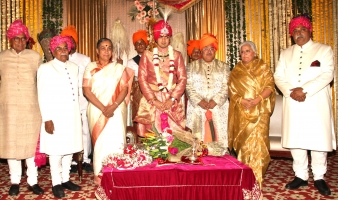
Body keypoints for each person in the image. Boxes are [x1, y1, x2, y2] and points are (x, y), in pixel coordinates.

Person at [274, 15, 335, 196]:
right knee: (296, 139)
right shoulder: (285, 53)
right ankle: (300, 175)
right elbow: (278, 77)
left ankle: (319, 177)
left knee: (317, 139)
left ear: (310, 30)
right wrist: (290, 91)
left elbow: (327, 75)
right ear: (291, 34)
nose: (298, 33)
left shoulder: (324, 50)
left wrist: (304, 90)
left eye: (302, 29)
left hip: (316, 102)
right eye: (295, 30)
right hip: (293, 102)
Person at [0, 19, 44, 196]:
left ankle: (33, 180)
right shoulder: (2, 57)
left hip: (30, 107)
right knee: (12, 145)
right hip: (8, 108)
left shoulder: (35, 57)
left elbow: (43, 82)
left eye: (22, 38)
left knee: (30, 144)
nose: (19, 42)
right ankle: (15, 181)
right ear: (10, 39)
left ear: (27, 40)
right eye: (16, 38)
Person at [83, 38, 134, 185]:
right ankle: (100, 175)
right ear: (97, 51)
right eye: (103, 48)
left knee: (116, 139)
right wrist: (103, 107)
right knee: (100, 143)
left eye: (109, 48)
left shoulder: (119, 68)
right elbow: (87, 91)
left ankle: (118, 173)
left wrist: (113, 106)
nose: (106, 50)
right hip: (96, 109)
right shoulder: (90, 67)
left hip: (116, 109)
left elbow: (124, 89)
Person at [37, 36, 83, 198]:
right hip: (54, 116)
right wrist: (47, 118)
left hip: (71, 115)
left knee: (69, 149)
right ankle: (56, 182)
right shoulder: (46, 68)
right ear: (52, 50)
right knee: (56, 150)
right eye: (59, 48)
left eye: (65, 48)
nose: (63, 51)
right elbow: (42, 95)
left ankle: (65, 179)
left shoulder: (74, 67)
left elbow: (77, 93)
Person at [228, 41, 275, 187]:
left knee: (259, 145)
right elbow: (231, 90)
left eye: (247, 51)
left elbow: (269, 86)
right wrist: (241, 101)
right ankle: (245, 176)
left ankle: (257, 177)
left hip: (260, 111)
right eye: (242, 52)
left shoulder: (263, 67)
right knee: (243, 145)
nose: (244, 54)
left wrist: (256, 100)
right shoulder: (236, 70)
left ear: (254, 52)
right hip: (242, 111)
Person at [134, 19, 187, 136]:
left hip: (171, 100)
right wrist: (153, 100)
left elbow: (182, 78)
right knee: (152, 136)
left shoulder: (177, 55)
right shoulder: (147, 55)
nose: (164, 40)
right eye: (161, 36)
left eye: (167, 37)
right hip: (152, 100)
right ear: (156, 37)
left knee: (174, 137)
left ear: (170, 38)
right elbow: (142, 79)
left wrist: (172, 99)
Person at [186, 34, 230, 149]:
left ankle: (221, 158)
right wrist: (199, 101)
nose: (209, 51)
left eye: (211, 48)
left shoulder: (224, 67)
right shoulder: (191, 67)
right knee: (197, 139)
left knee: (219, 137)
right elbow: (188, 86)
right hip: (198, 108)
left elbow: (226, 86)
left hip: (218, 108)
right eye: (206, 48)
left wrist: (215, 100)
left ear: (215, 50)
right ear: (201, 51)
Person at [60, 25, 93, 173]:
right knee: (69, 130)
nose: (69, 42)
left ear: (76, 41)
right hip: (66, 101)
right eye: (66, 39)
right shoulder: (59, 58)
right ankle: (72, 161)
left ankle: (85, 159)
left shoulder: (85, 59)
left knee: (84, 129)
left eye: (71, 39)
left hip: (83, 100)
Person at [126, 30, 148, 128]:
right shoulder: (130, 62)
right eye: (137, 44)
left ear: (146, 44)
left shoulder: (153, 59)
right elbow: (128, 80)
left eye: (141, 43)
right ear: (134, 47)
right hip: (137, 95)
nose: (139, 45)